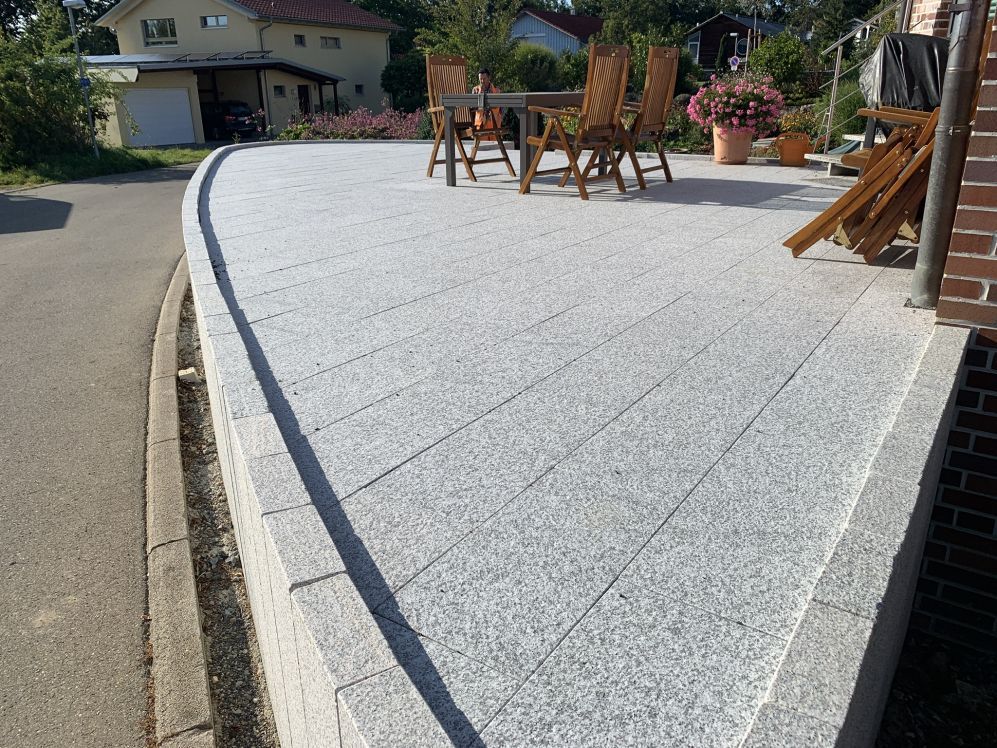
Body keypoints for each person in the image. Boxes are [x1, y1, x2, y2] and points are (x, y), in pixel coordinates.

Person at [472, 68, 502, 141]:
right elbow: (472, 107)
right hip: (481, 124)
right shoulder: (475, 90)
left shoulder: (497, 91)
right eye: (480, 79)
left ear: (489, 78)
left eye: (484, 79)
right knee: (482, 146)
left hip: (495, 124)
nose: (482, 81)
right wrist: (480, 92)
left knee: (495, 145)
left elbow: (501, 109)